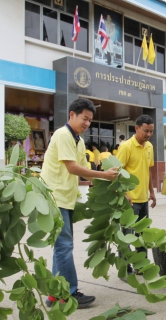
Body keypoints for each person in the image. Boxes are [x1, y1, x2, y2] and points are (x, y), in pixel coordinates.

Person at [41, 98, 119, 308]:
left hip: (65, 199)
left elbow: (88, 175)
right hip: (54, 197)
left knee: (61, 247)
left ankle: (54, 294)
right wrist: (104, 175)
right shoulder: (63, 135)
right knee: (64, 246)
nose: (87, 123)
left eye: (90, 120)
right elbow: (73, 168)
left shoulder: (80, 140)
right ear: (72, 115)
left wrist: (114, 191)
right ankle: (69, 293)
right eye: (84, 118)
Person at [116, 115, 157, 275]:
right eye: (146, 131)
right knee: (127, 236)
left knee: (142, 236)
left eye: (151, 131)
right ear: (137, 128)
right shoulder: (126, 147)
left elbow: (148, 170)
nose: (148, 134)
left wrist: (152, 192)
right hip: (130, 201)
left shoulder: (149, 147)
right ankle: (125, 269)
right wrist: (123, 193)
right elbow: (117, 171)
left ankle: (141, 266)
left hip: (144, 199)